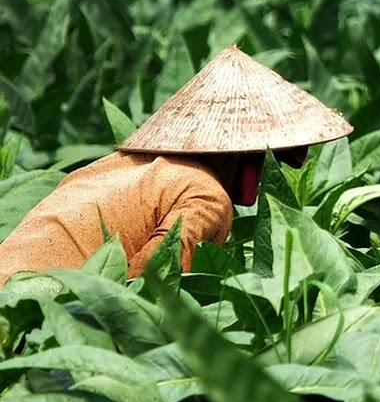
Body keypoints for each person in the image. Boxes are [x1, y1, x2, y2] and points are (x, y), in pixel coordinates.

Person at [0, 46, 352, 286]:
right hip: (42, 310)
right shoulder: (207, 196)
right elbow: (149, 286)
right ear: (245, 154)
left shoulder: (111, 165)